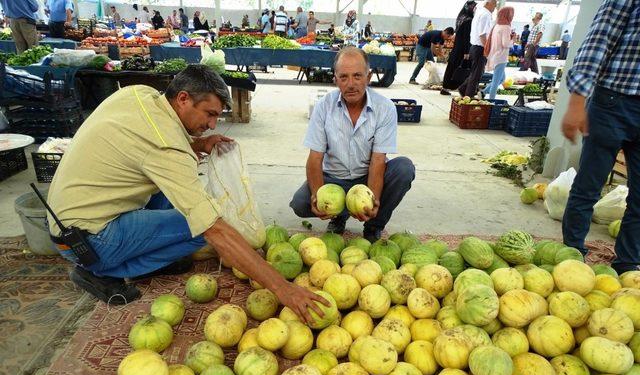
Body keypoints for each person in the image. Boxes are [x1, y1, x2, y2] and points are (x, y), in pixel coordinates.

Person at [46, 65, 326, 322]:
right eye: (210, 114)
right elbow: (213, 228)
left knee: (184, 197)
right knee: (203, 228)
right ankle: (105, 272)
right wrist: (284, 289)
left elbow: (144, 146)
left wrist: (198, 145)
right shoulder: (168, 149)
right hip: (89, 242)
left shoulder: (139, 94)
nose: (214, 124)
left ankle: (129, 256)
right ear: (182, 99)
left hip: (67, 221)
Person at [290, 47, 415, 242]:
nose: (351, 84)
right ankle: (339, 216)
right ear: (335, 79)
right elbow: (315, 158)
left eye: (357, 76)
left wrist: (372, 200)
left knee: (404, 168)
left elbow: (378, 161)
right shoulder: (324, 107)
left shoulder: (385, 108)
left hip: (365, 178)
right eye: (344, 77)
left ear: (369, 76)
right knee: (300, 204)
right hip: (333, 178)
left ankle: (374, 225)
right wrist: (318, 195)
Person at [561, 0, 639, 275]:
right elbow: (600, 39)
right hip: (613, 101)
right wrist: (576, 101)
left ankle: (628, 265)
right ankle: (573, 257)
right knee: (588, 187)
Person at [458, 0, 496, 98]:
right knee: (476, 75)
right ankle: (469, 96)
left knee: (476, 72)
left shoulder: (480, 13)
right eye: (494, 4)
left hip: (475, 47)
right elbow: (482, 34)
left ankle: (463, 89)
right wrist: (487, 49)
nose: (495, 7)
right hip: (480, 48)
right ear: (488, 3)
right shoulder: (485, 15)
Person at [441, 1, 477, 95]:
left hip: (457, 47)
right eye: (474, 8)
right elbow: (466, 37)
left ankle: (445, 88)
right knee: (460, 69)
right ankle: (460, 88)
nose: (475, 10)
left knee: (451, 68)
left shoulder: (461, 18)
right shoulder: (469, 20)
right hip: (462, 49)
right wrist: (466, 52)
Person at [481, 6, 514, 100]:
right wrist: (513, 40)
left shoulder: (497, 25)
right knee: (496, 81)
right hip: (501, 57)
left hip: (494, 55)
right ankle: (491, 101)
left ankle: (483, 92)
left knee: (502, 79)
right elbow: (506, 43)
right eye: (511, 14)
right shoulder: (506, 27)